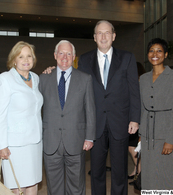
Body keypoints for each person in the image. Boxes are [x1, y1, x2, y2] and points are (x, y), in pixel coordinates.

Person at [78, 20, 141, 195]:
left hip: (120, 123)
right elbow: (78, 90)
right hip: (95, 124)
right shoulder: (84, 60)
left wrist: (135, 118)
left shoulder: (127, 58)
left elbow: (133, 91)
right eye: (99, 33)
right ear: (94, 37)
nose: (103, 36)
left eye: (107, 33)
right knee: (96, 171)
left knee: (120, 171)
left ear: (113, 36)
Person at [39, 40, 96, 195]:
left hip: (76, 141)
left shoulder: (85, 79)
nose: (65, 57)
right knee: (54, 187)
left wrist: (89, 137)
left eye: (69, 53)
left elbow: (90, 109)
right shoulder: (43, 79)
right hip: (51, 141)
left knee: (76, 186)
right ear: (55, 55)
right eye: (61, 53)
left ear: (74, 56)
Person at [0, 41, 43, 195]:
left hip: (35, 142)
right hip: (14, 146)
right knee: (16, 187)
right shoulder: (5, 79)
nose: (26, 60)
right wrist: (1, 145)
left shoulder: (35, 78)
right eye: (21, 56)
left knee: (33, 184)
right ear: (14, 60)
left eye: (29, 56)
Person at [139, 38, 173, 189]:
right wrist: (140, 133)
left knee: (167, 177)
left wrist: (171, 139)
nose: (155, 54)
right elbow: (142, 107)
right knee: (149, 177)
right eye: (151, 50)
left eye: (159, 51)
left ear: (165, 54)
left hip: (166, 135)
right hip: (147, 137)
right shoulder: (143, 79)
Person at [128, 62, 145, 180]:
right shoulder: (140, 81)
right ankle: (136, 169)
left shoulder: (139, 82)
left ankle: (140, 172)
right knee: (133, 146)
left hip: (137, 119)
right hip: (133, 118)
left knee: (131, 146)